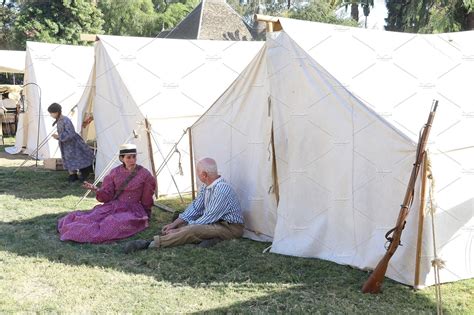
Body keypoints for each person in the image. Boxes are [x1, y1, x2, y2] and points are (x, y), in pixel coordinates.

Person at [123, 158, 244, 253]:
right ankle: (210, 239)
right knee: (180, 218)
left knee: (192, 229)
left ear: (204, 175)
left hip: (230, 228)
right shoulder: (206, 186)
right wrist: (174, 224)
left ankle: (151, 243)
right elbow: (195, 208)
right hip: (215, 222)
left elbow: (208, 218)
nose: (197, 175)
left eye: (197, 172)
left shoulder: (221, 190)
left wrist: (179, 230)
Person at [57, 143, 157, 243]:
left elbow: (147, 197)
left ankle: (90, 233)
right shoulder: (114, 173)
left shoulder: (144, 174)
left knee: (113, 223)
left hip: (133, 210)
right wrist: (96, 190)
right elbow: (107, 195)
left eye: (134, 157)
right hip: (114, 206)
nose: (132, 160)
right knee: (93, 217)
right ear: (122, 159)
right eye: (129, 157)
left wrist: (146, 213)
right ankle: (73, 230)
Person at [48, 103, 94, 182]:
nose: (51, 115)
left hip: (73, 144)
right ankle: (73, 175)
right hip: (66, 144)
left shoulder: (66, 120)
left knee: (77, 158)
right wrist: (58, 137)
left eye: (51, 113)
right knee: (68, 159)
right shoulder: (59, 120)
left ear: (56, 112)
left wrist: (59, 136)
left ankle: (84, 173)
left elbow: (71, 133)